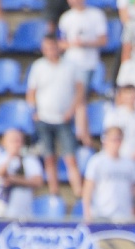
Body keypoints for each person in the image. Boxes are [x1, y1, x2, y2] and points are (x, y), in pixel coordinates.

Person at [27, 34, 89, 196]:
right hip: (44, 119)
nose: (50, 51)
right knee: (49, 157)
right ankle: (54, 190)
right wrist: (35, 111)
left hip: (64, 118)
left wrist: (71, 111)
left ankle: (78, 190)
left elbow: (80, 90)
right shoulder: (38, 67)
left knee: (70, 156)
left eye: (53, 47)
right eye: (46, 48)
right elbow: (31, 92)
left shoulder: (71, 66)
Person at [82, 128, 135, 221]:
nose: (116, 143)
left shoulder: (129, 163)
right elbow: (88, 189)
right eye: (114, 140)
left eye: (119, 140)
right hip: (102, 214)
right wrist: (87, 213)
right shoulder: (96, 161)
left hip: (124, 216)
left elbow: (134, 189)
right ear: (105, 140)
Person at [57, 0, 109, 87]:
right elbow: (60, 43)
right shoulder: (65, 18)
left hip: (90, 63)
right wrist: (73, 44)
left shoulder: (97, 14)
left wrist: (85, 43)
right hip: (70, 63)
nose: (74, 0)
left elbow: (104, 41)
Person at [0, 126, 47, 218]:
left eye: (18, 141)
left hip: (24, 209)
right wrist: (10, 157)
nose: (16, 144)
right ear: (3, 142)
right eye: (12, 141)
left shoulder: (30, 160)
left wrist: (12, 179)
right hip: (2, 207)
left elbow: (38, 181)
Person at [101, 84, 135, 174]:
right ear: (121, 96)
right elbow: (108, 139)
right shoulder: (113, 116)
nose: (130, 98)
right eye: (127, 95)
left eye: (132, 95)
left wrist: (132, 158)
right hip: (116, 164)